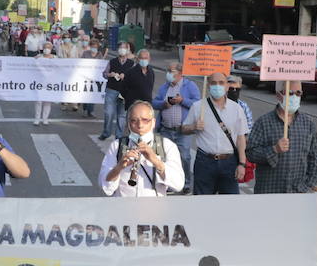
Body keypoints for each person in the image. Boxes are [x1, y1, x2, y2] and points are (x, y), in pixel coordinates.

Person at [246, 81, 317, 194]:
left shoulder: (307, 123)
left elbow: (314, 155)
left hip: (297, 192)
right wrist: (274, 149)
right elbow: (251, 153)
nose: (294, 97)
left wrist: (310, 184)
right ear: (278, 95)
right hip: (270, 191)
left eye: (298, 93)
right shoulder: (264, 122)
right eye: (290, 93)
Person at [182, 71, 248, 195]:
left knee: (231, 205)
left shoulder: (236, 109)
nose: (217, 86)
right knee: (202, 204)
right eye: (213, 83)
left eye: (221, 83)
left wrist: (242, 164)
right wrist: (193, 126)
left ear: (227, 86)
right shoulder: (198, 107)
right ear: (208, 86)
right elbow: (183, 129)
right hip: (205, 162)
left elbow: (241, 138)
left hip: (229, 162)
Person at [99, 101, 184, 196]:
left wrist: (156, 161)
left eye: (145, 120)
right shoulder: (117, 146)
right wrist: (119, 167)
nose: (140, 125)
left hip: (153, 208)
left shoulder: (167, 146)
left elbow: (178, 184)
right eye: (134, 120)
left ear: (153, 122)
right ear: (128, 123)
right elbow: (105, 187)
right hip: (123, 207)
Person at [154, 61, 200, 191]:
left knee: (184, 157)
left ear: (180, 73)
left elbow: (198, 104)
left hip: (182, 130)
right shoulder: (164, 87)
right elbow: (154, 103)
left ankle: (185, 184)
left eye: (171, 71)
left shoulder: (189, 86)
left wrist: (182, 101)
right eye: (167, 71)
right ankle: (168, 182)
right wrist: (163, 104)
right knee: (164, 157)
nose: (168, 74)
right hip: (166, 129)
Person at [99, 42, 136, 141]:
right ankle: (106, 132)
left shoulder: (132, 64)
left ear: (128, 50)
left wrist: (126, 77)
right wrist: (109, 74)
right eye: (120, 48)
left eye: (124, 48)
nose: (122, 50)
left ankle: (119, 136)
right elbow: (104, 74)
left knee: (122, 115)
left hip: (125, 92)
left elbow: (135, 78)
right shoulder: (112, 61)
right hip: (111, 89)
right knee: (108, 112)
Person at [121, 47, 157, 113]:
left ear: (149, 59)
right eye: (141, 58)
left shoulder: (151, 72)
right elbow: (123, 89)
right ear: (138, 59)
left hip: (147, 106)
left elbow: (150, 88)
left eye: (146, 58)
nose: (144, 60)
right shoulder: (130, 72)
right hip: (133, 106)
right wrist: (130, 99)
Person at [33, 41, 56, 125]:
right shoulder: (38, 57)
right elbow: (30, 63)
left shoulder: (55, 58)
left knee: (47, 101)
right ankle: (37, 118)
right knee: (38, 101)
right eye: (45, 47)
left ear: (51, 49)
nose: (47, 49)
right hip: (39, 82)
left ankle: (45, 118)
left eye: (49, 48)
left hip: (50, 83)